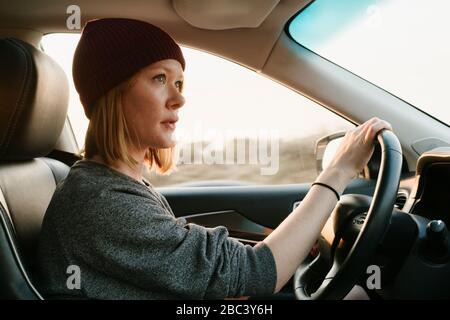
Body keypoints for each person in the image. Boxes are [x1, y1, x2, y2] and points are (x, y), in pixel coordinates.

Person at [37, 18, 392, 300]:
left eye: (179, 84)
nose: (178, 100)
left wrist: (294, 242)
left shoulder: (114, 185)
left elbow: (197, 265)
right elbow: (256, 274)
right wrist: (339, 169)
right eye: (159, 78)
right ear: (112, 93)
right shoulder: (101, 202)